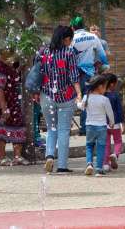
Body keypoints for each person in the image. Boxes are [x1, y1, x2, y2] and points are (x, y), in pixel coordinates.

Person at [40, 25, 82, 174]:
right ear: (66, 39)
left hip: (46, 96)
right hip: (65, 96)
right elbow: (74, 76)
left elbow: (40, 73)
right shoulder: (69, 52)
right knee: (63, 130)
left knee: (52, 128)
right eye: (70, 39)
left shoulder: (45, 52)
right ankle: (62, 166)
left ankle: (49, 155)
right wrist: (79, 93)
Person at [71, 16, 109, 136]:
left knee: (71, 99)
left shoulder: (72, 39)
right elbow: (102, 56)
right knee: (86, 99)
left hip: (74, 74)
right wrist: (104, 66)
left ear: (73, 27)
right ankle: (86, 127)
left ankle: (66, 126)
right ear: (84, 26)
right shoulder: (93, 37)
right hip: (89, 74)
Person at [0, 49, 28, 166]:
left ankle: (17, 156)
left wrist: (20, 69)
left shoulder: (8, 67)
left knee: (17, 125)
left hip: (13, 101)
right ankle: (1, 157)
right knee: (1, 128)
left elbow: (13, 78)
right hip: (3, 103)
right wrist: (3, 107)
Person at [83, 74, 115, 177]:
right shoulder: (104, 99)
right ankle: (99, 169)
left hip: (89, 126)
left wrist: (78, 102)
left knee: (89, 146)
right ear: (100, 87)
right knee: (101, 147)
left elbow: (81, 107)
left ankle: (89, 164)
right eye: (105, 87)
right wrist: (112, 122)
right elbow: (110, 113)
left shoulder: (86, 97)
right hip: (101, 127)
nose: (105, 89)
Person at [103, 74, 125, 172]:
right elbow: (119, 110)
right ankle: (115, 154)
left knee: (106, 144)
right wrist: (123, 123)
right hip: (115, 123)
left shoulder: (102, 95)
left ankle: (105, 164)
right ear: (112, 84)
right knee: (118, 141)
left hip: (104, 123)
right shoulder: (115, 95)